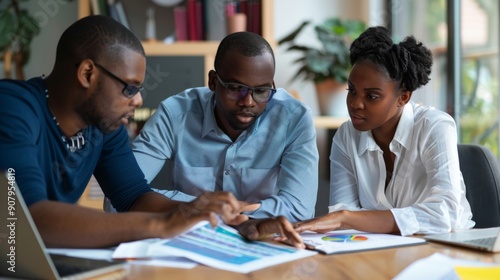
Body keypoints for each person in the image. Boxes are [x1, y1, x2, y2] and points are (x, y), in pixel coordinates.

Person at [0, 15, 304, 249]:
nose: (138, 100)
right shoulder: (12, 107)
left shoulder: (104, 127)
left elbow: (134, 197)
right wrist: (161, 226)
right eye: (129, 87)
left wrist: (227, 220)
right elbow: (26, 221)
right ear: (87, 74)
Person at [294, 26, 474, 236]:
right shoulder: (346, 136)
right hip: (380, 250)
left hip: (447, 247)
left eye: (371, 96)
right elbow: (342, 215)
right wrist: (345, 218)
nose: (355, 104)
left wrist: (346, 218)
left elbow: (447, 213)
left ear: (403, 97)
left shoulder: (434, 127)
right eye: (351, 90)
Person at [128, 31, 319, 223]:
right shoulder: (175, 114)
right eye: (236, 88)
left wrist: (229, 211)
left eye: (261, 91)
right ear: (212, 81)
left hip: (260, 239)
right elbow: (119, 197)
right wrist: (201, 206)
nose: (248, 102)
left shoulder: (294, 119)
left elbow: (300, 209)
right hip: (191, 238)